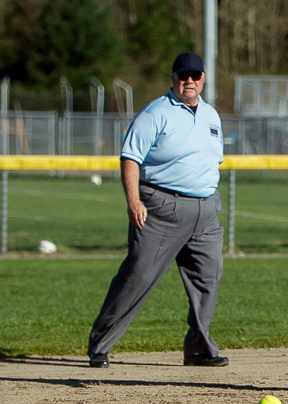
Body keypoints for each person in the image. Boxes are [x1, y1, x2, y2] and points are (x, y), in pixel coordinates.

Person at [87, 52, 227, 369]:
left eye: (194, 75)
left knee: (208, 279)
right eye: (183, 75)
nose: (188, 81)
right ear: (173, 78)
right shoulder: (155, 113)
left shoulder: (211, 115)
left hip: (206, 211)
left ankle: (198, 349)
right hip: (162, 207)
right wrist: (134, 201)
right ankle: (100, 345)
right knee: (138, 276)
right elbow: (130, 158)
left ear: (203, 79)